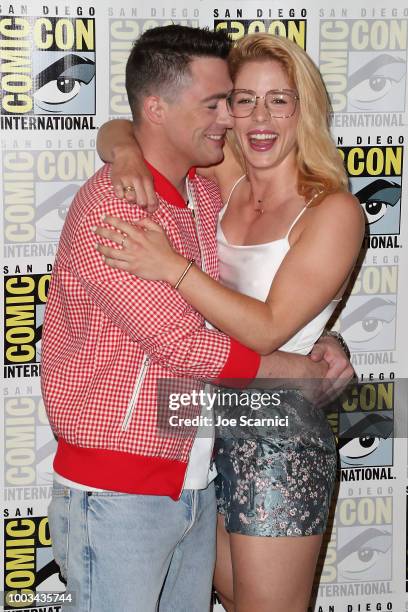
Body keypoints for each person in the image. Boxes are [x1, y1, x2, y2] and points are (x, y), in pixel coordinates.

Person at [95, 32, 364, 612]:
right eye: (244, 100)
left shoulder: (334, 210)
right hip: (200, 428)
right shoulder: (226, 175)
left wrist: (172, 267)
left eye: (279, 100)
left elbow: (267, 329)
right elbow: (130, 124)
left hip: (278, 434)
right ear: (226, 111)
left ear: (304, 109)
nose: (260, 118)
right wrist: (123, 152)